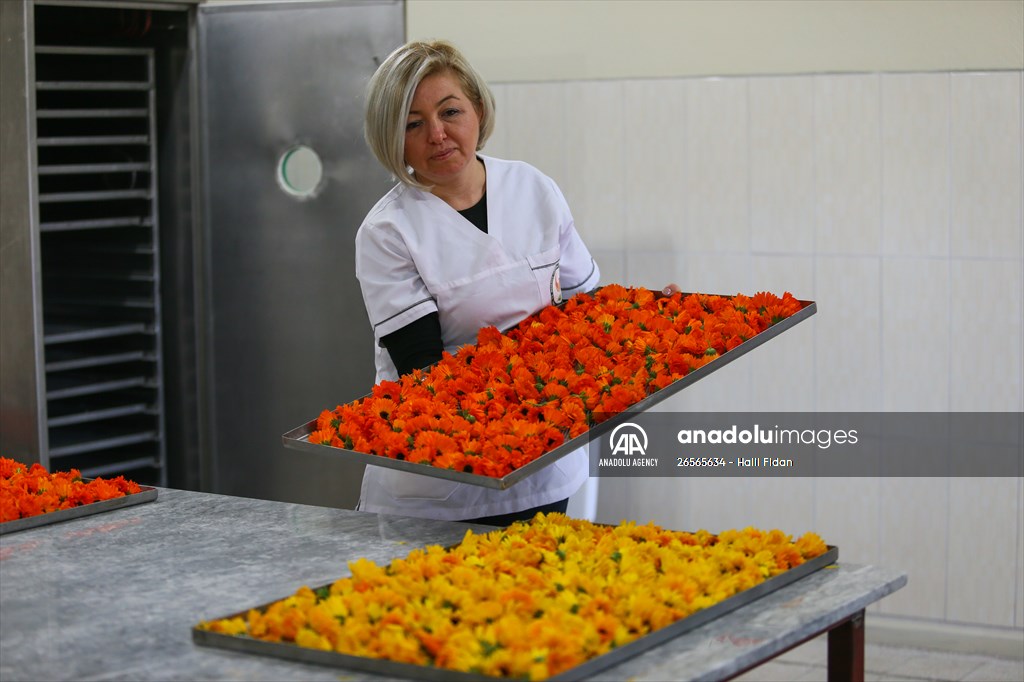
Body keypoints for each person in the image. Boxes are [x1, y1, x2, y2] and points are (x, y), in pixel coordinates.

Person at [354, 40, 601, 524]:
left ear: (479, 110)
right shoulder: (389, 231)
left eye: (450, 111)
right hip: (441, 483)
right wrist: (544, 384)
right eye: (413, 123)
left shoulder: (533, 188)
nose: (438, 135)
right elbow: (425, 374)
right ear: (394, 138)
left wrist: (648, 317)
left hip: (546, 465)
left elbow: (587, 309)